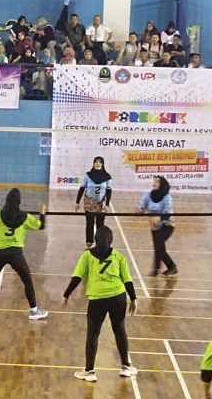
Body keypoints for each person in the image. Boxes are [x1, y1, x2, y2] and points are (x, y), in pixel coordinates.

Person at [63, 226, 138, 382]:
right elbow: (127, 279)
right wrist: (133, 298)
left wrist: (66, 294)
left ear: (95, 240)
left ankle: (89, 371)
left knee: (93, 333)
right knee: (119, 330)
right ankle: (125, 366)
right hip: (118, 297)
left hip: (97, 299)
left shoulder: (87, 256)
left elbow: (77, 277)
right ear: (111, 240)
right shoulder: (118, 256)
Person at [0, 188, 48, 320]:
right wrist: (42, 212)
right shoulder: (25, 217)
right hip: (16, 254)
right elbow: (41, 226)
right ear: (19, 201)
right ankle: (34, 311)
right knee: (27, 280)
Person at [139, 176, 178, 277]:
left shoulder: (167, 198)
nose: (154, 183)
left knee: (158, 246)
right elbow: (142, 206)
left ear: (162, 184)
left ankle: (171, 266)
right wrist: (139, 210)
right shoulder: (148, 195)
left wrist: (159, 220)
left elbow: (168, 213)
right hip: (154, 227)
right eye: (154, 181)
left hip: (167, 225)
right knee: (158, 248)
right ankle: (158, 270)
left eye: (157, 181)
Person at [76, 157, 112, 248]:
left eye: (99, 162)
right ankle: (89, 242)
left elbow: (109, 191)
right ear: (93, 164)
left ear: (102, 164)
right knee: (90, 223)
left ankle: (100, 243)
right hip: (89, 202)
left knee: (100, 224)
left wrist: (107, 204)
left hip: (101, 203)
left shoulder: (107, 177)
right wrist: (77, 202)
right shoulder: (87, 176)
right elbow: (81, 189)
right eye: (96, 162)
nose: (97, 164)